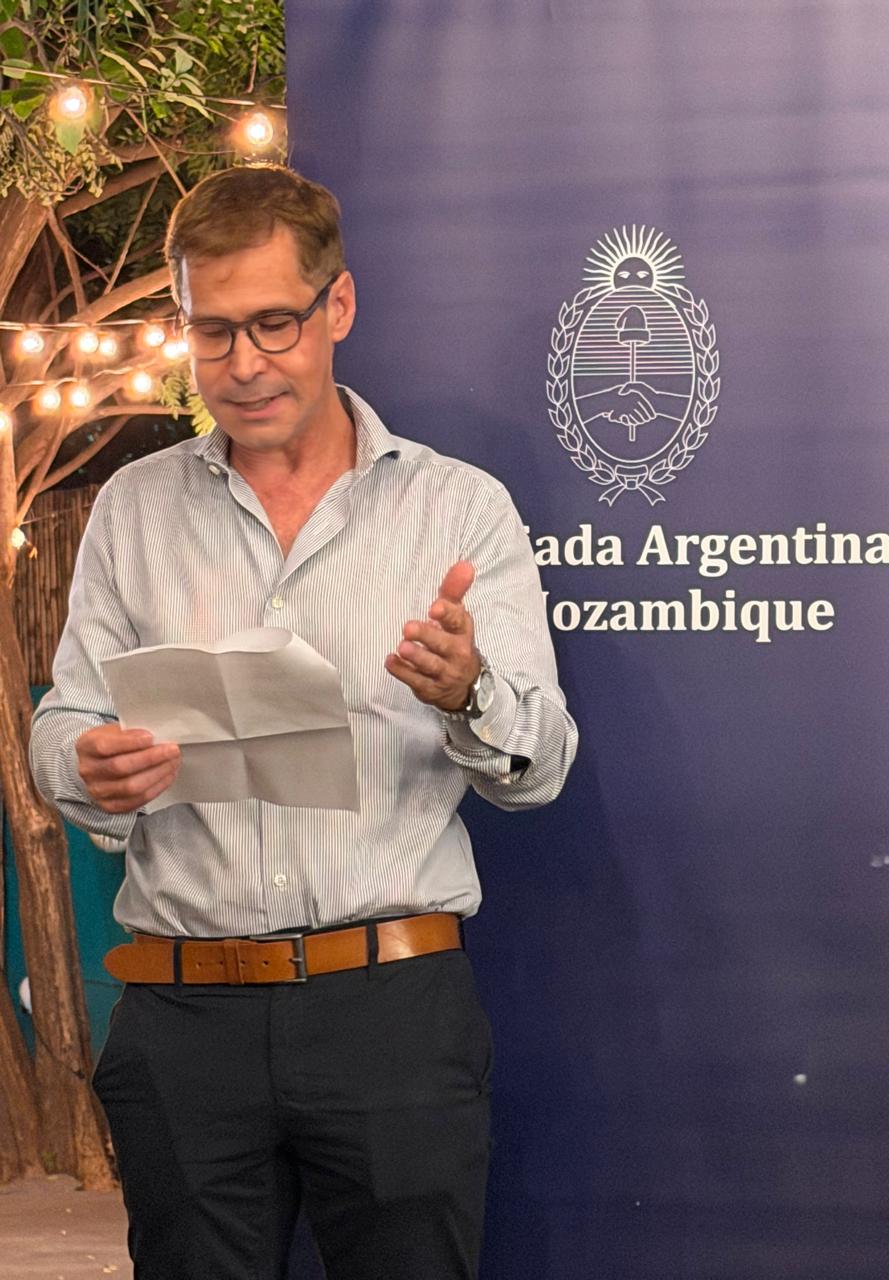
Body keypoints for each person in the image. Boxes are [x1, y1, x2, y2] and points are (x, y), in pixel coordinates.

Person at [29, 163, 578, 1280]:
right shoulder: (134, 508)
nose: (243, 364)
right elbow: (66, 719)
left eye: (274, 323)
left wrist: (466, 689)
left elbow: (543, 765)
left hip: (391, 1009)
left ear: (339, 305)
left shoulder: (456, 507)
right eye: (212, 331)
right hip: (182, 1016)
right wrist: (87, 762)